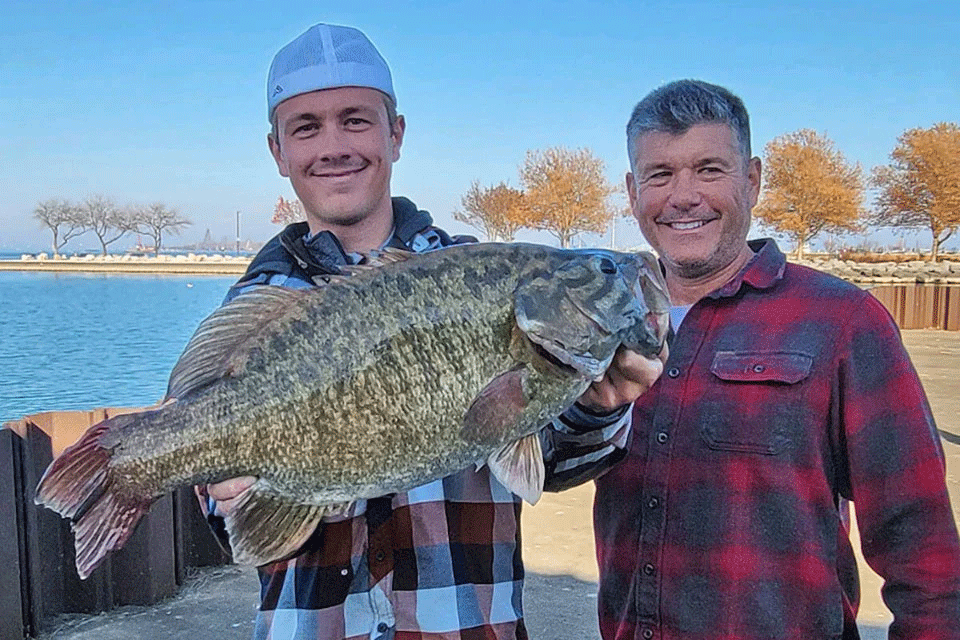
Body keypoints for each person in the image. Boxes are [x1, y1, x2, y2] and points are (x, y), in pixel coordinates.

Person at [199, 23, 665, 640]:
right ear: (278, 151)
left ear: (396, 134)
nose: (334, 144)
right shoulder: (253, 310)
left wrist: (600, 410)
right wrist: (223, 490)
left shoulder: (475, 273)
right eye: (306, 127)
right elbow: (234, 520)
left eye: (356, 120)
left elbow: (548, 464)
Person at [588, 79, 960, 639]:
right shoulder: (598, 326)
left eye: (709, 169)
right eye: (660, 175)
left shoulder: (842, 321)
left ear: (753, 179)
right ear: (632, 190)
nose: (683, 195)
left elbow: (921, 545)